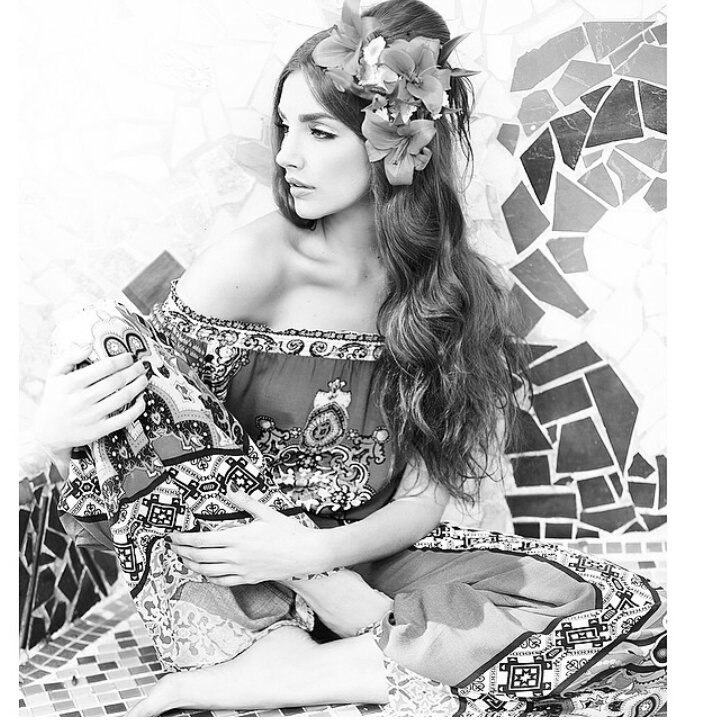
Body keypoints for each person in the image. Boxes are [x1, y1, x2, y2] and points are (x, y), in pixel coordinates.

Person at [33, 0, 667, 716]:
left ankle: (320, 664)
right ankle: (343, 653)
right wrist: (54, 437)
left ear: (396, 141)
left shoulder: (451, 289)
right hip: (236, 579)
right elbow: (158, 455)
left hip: (364, 562)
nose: (286, 156)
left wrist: (315, 557)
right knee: (96, 329)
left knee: (618, 604)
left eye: (318, 130)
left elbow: (422, 498)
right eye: (285, 128)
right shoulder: (248, 265)